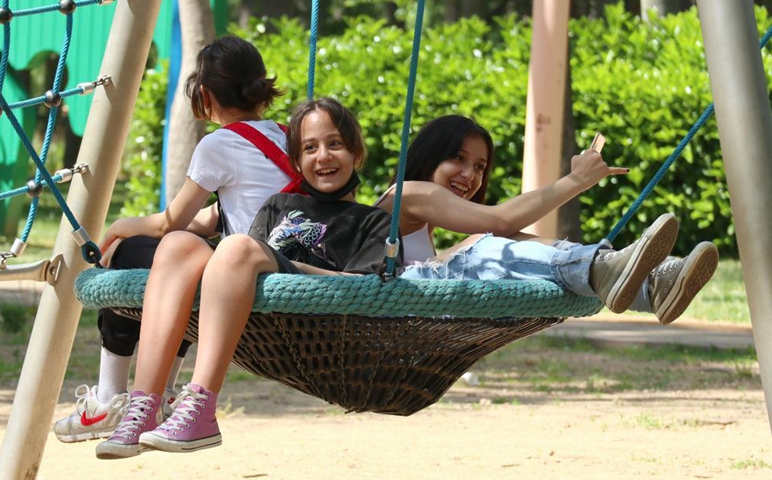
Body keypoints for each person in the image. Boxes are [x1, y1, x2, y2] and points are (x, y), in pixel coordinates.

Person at [94, 97, 399, 459]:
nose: (323, 156)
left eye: (335, 144)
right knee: (177, 244)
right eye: (310, 148)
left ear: (356, 154)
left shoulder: (373, 221)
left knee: (238, 247)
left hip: (318, 319)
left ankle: (200, 406)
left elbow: (362, 289)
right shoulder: (277, 206)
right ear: (297, 162)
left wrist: (276, 263)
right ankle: (143, 408)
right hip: (255, 322)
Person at [54, 35, 297, 443]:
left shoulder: (219, 143)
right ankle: (162, 392)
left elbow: (171, 221)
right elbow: (228, 212)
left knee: (134, 254)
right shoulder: (286, 135)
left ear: (204, 94)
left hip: (245, 271)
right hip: (284, 256)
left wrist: (119, 228)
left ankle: (111, 398)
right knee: (182, 256)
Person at [374, 115, 718, 323]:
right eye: (458, 159)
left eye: (479, 167)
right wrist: (576, 181)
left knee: (507, 242)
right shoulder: (406, 193)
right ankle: (604, 267)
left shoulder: (423, 231)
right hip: (387, 318)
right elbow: (499, 221)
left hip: (415, 313)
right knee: (484, 244)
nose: (469, 175)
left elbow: (504, 230)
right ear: (429, 157)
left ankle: (646, 283)